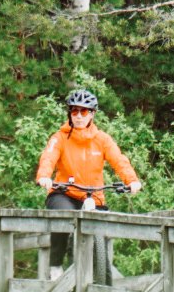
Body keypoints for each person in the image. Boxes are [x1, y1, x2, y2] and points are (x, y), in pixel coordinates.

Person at [35, 89, 142, 270]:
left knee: (104, 231)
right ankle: (55, 266)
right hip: (65, 193)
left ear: (92, 114)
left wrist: (132, 180)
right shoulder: (59, 137)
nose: (78, 116)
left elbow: (119, 160)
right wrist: (44, 176)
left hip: (94, 196)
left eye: (83, 111)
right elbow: (48, 157)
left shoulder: (102, 139)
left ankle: (102, 277)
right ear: (70, 113)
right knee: (64, 217)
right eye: (74, 111)